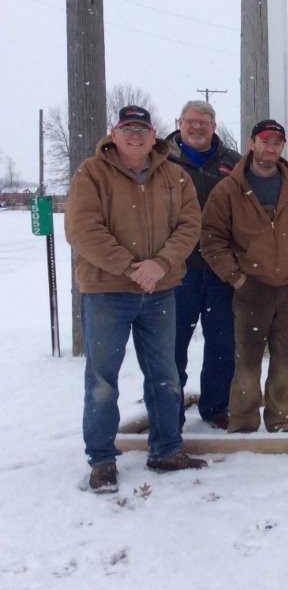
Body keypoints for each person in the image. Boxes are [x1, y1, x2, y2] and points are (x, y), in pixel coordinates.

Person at [65, 105, 208, 494]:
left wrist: (160, 264)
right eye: (127, 128)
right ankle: (102, 460)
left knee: (165, 374)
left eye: (142, 129)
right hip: (107, 292)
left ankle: (166, 450)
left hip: (160, 291)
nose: (135, 135)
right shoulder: (91, 174)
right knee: (102, 379)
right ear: (114, 134)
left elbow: (189, 226)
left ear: (153, 134)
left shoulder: (175, 176)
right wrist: (129, 267)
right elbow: (82, 229)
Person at [201, 119, 288, 433]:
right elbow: (212, 238)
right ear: (252, 143)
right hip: (250, 289)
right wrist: (237, 279)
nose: (270, 148)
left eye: (276, 143)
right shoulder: (229, 189)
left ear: (282, 147)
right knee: (246, 361)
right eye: (265, 141)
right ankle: (243, 422)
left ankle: (281, 419)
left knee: (287, 359)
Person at [166, 100, 242, 430]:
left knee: (223, 344)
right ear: (179, 123)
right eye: (191, 121)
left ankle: (216, 407)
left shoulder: (232, 162)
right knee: (172, 346)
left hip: (220, 268)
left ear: (214, 127)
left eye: (204, 123)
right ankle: (169, 412)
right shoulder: (162, 160)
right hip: (175, 269)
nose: (197, 127)